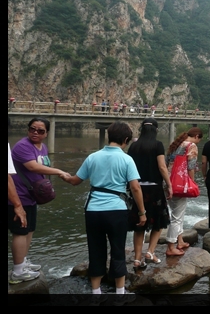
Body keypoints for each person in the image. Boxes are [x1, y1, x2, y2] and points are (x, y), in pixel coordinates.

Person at [61, 121, 146, 302]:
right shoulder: (126, 159)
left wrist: (65, 177)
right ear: (125, 139)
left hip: (93, 210)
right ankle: (120, 293)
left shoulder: (93, 157)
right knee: (117, 249)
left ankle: (96, 293)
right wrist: (142, 212)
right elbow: (135, 188)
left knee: (96, 249)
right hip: (116, 211)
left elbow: (76, 180)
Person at [9, 117, 69, 285]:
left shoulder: (42, 147)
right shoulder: (22, 146)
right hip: (19, 195)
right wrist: (59, 172)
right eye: (32, 129)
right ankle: (18, 270)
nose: (35, 133)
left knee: (29, 230)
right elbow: (33, 167)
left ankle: (23, 261)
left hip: (31, 196)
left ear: (46, 133)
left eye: (40, 131)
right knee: (20, 231)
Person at [127, 118, 172, 267]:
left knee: (139, 223)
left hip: (137, 189)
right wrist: (169, 184)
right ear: (155, 130)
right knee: (158, 222)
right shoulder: (157, 145)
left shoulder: (133, 146)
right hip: (154, 189)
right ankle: (150, 252)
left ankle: (137, 259)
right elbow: (162, 167)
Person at [166, 127, 203, 254]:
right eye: (199, 139)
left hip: (168, 183)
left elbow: (166, 164)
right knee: (177, 217)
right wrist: (191, 183)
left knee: (177, 214)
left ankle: (180, 241)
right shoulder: (191, 145)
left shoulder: (174, 145)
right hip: (181, 184)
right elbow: (191, 167)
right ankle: (171, 246)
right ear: (197, 136)